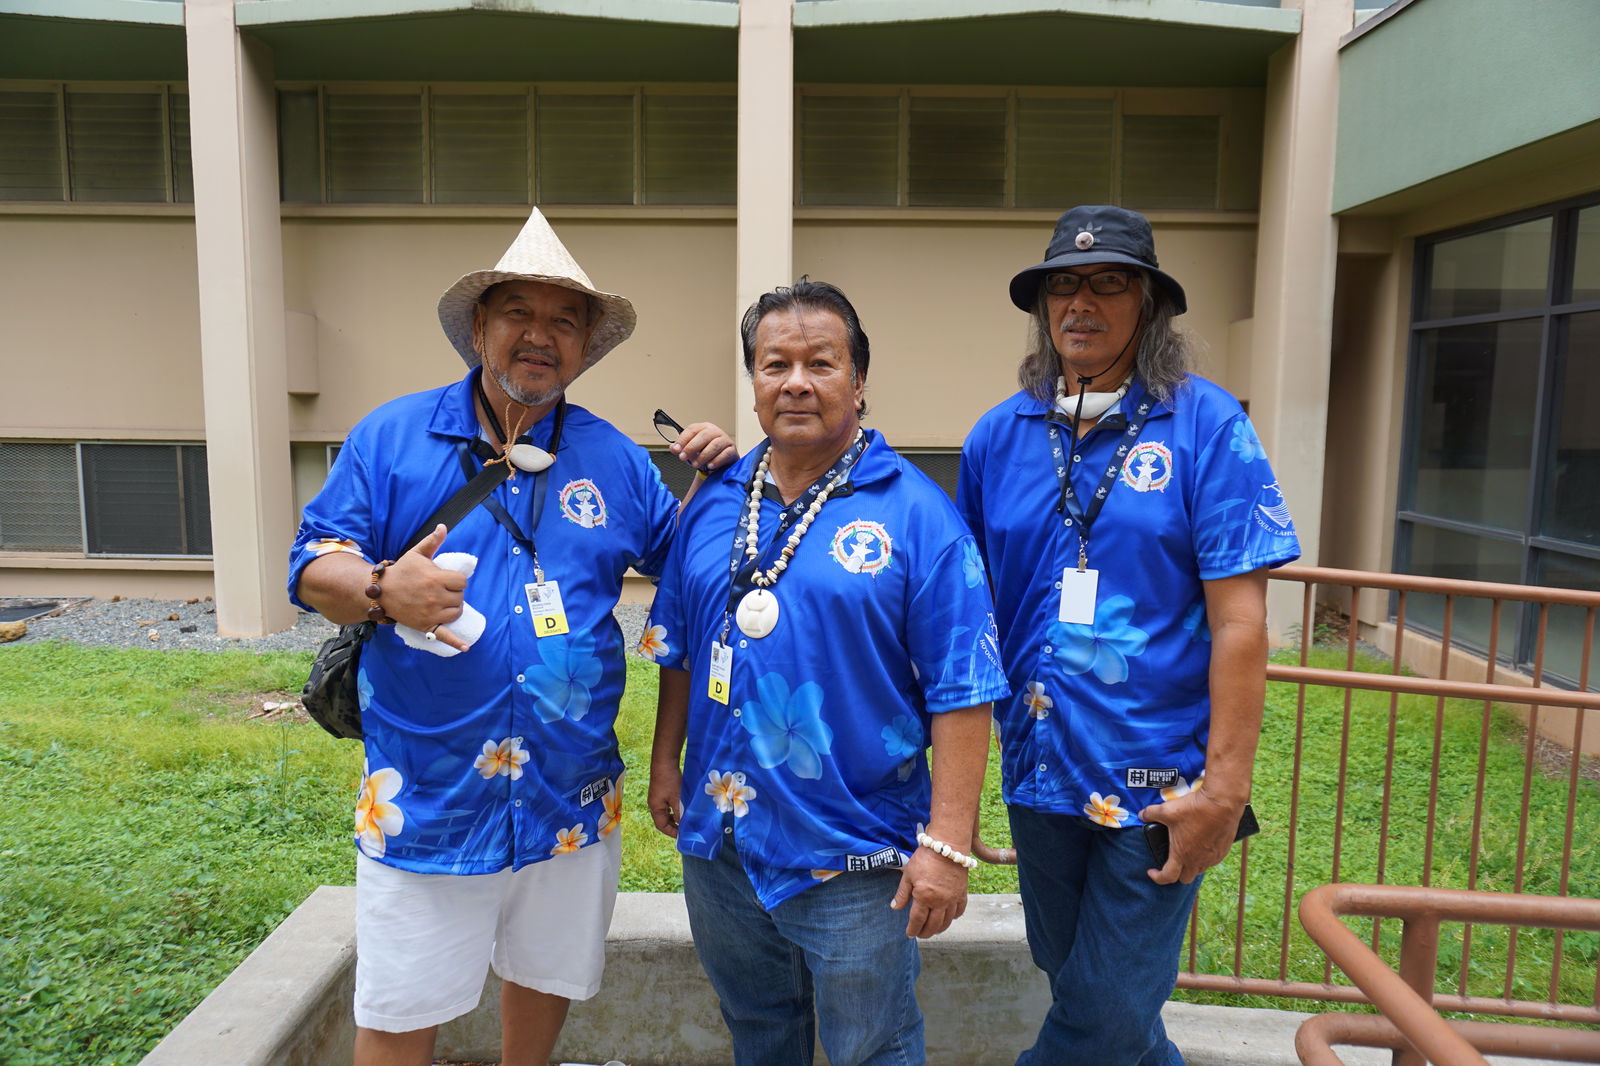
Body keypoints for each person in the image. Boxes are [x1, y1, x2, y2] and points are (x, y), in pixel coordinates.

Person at [288, 208, 734, 1066]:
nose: (540, 335)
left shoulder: (614, 458)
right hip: (427, 794)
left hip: (570, 795)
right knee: (400, 1005)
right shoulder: (393, 437)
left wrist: (715, 482)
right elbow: (312, 565)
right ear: (479, 331)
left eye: (565, 320)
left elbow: (690, 570)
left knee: (544, 978)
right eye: (518, 313)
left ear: (586, 346)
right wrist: (381, 588)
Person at [958, 205, 1302, 1066]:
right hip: (1038, 770)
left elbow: (1241, 622)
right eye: (1062, 286)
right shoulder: (999, 436)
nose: (1081, 303)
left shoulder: (1207, 427)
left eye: (1108, 283)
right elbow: (968, 612)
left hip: (1158, 780)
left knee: (1104, 1015)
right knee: (1090, 995)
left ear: (1149, 303)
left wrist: (1225, 792)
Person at [638, 280, 1009, 1066]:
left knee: (871, 1047)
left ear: (859, 381)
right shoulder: (715, 502)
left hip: (854, 853)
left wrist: (947, 844)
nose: (796, 382)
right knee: (758, 1031)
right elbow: (681, 648)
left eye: (821, 363)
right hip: (722, 840)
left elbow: (965, 685)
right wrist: (666, 761)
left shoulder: (917, 514)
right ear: (754, 382)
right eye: (775, 364)